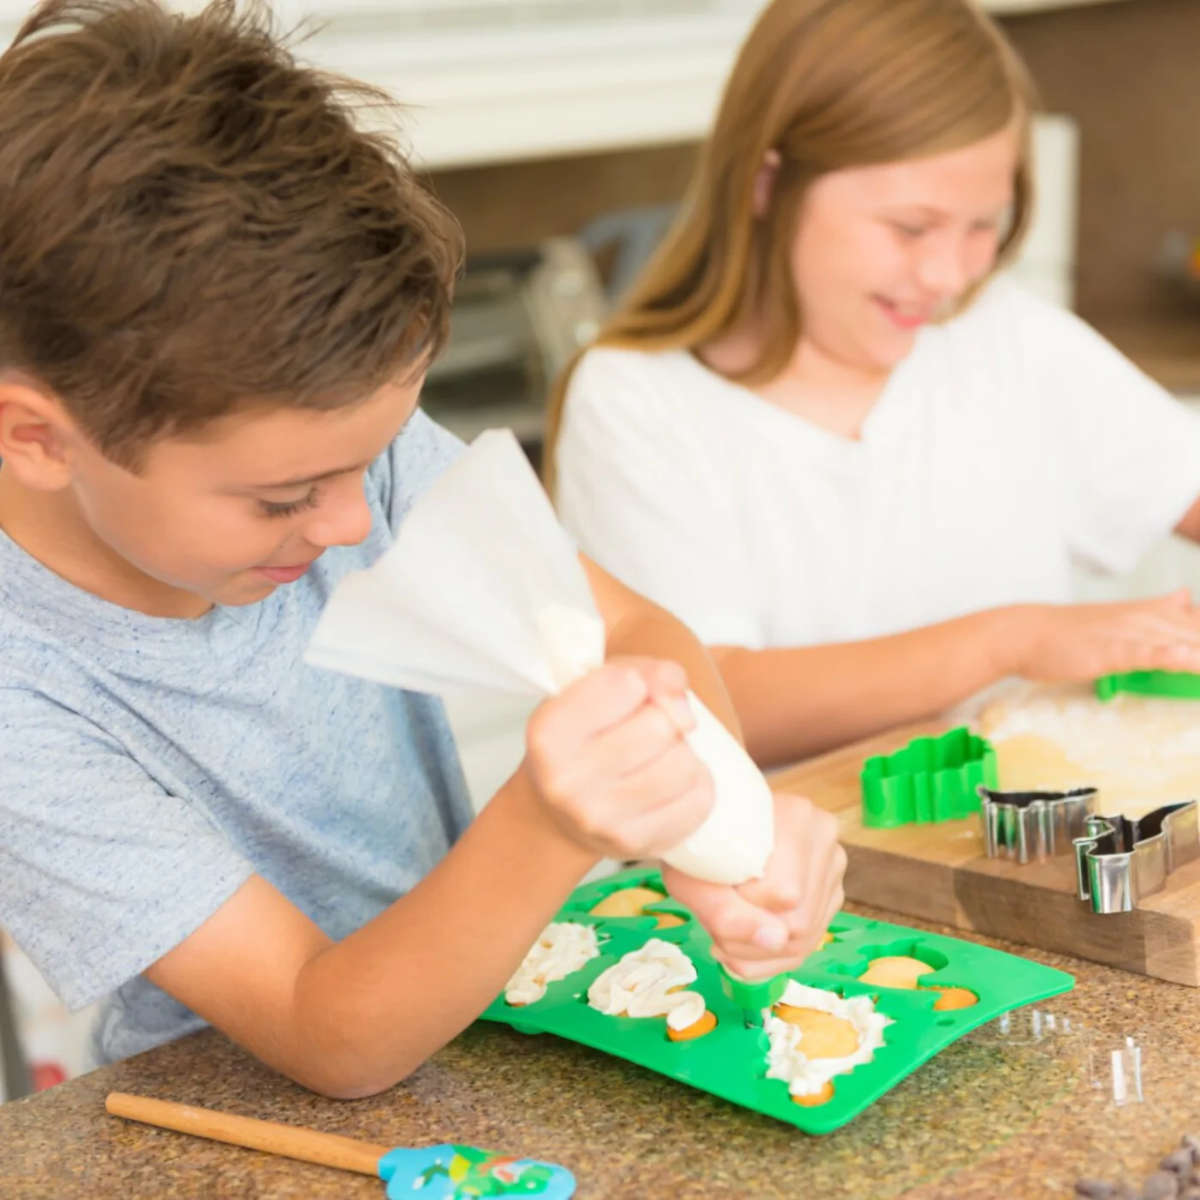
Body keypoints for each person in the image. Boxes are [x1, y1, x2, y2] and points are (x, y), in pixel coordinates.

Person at [0, 0, 845, 1099]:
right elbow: (326, 1033)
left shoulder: (333, 450)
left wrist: (720, 832)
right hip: (238, 1124)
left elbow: (631, 633)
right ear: (37, 437)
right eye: (283, 498)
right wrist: (549, 821)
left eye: (376, 457)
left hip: (471, 1046)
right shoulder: (24, 694)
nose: (356, 522)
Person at [547, 0, 1200, 769]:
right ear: (766, 185)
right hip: (776, 881)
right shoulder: (637, 402)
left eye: (982, 226)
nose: (948, 273)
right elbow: (704, 700)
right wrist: (1015, 639)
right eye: (910, 227)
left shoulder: (1003, 336)